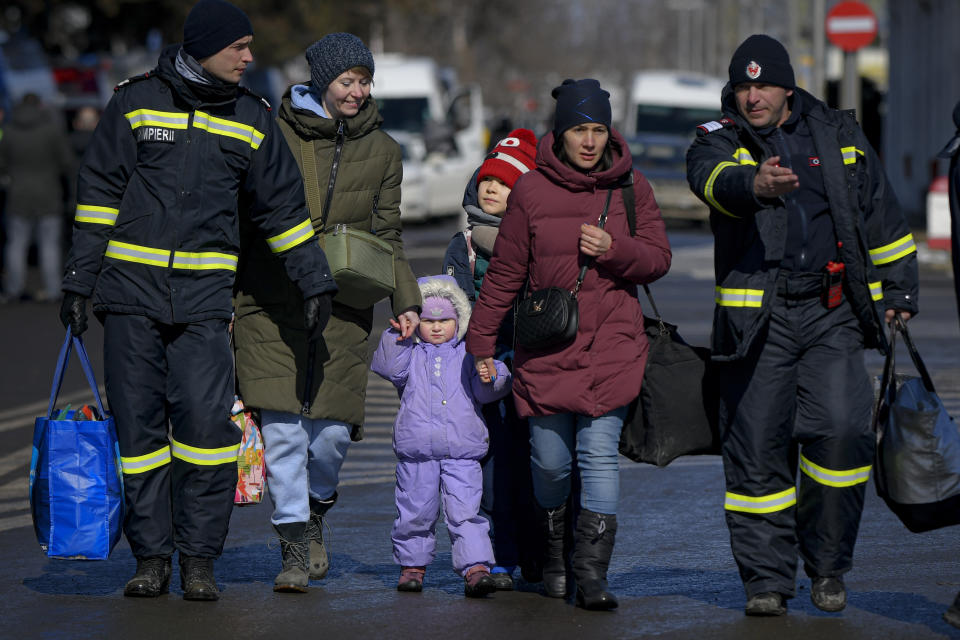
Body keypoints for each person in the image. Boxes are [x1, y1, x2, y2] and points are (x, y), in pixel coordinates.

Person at [58, 0, 337, 601]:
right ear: (204, 47)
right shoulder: (135, 103)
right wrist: (79, 281)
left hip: (206, 305)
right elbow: (98, 192)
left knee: (208, 437)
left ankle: (199, 560)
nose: (248, 56)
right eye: (238, 46)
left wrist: (314, 279)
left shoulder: (252, 117)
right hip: (129, 300)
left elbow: (283, 211)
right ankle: (152, 558)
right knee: (139, 440)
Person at [685, 35, 919, 617]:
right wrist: (753, 185)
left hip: (832, 310)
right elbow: (710, 181)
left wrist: (901, 287)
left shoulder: (837, 131)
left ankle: (828, 566)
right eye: (743, 85)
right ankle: (766, 580)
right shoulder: (720, 137)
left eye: (763, 85)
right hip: (757, 320)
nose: (752, 95)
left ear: (788, 87)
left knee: (843, 432)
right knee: (757, 447)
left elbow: (880, 213)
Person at [466, 79, 672, 610]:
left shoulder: (633, 187)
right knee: (550, 463)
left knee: (598, 456)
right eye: (579, 129)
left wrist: (615, 248)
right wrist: (481, 344)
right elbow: (506, 274)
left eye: (598, 129)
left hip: (613, 347)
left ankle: (593, 574)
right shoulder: (531, 191)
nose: (589, 141)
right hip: (547, 349)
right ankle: (555, 556)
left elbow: (658, 259)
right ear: (560, 133)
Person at [232, 32, 421, 592]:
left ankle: (316, 510)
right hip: (270, 298)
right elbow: (244, 212)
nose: (357, 92)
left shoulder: (385, 151)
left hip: (343, 303)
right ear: (321, 80)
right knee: (285, 432)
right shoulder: (272, 131)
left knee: (331, 438)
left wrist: (405, 299)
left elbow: (387, 235)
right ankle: (292, 548)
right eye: (347, 81)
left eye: (364, 81)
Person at [370, 274, 511, 598]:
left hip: (462, 452)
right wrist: (397, 334)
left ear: (459, 320)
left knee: (465, 513)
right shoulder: (410, 352)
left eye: (445, 320)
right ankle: (412, 567)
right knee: (414, 513)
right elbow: (388, 367)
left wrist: (494, 375)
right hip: (417, 451)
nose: (436, 327)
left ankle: (476, 567)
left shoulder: (467, 354)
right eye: (428, 320)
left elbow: (487, 391)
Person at [442, 128, 540, 590]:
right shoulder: (460, 246)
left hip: (528, 365)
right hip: (479, 370)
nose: (491, 187)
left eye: (503, 183)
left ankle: (538, 553)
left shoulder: (536, 240)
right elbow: (456, 305)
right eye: (486, 180)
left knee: (534, 460)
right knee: (489, 464)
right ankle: (497, 554)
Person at [0, 93, 75, 303]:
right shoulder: (52, 130)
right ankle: (52, 289)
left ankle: (14, 289)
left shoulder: (9, 131)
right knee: (49, 244)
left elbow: (1, 163)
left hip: (18, 193)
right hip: (48, 193)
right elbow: (66, 162)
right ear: (40, 106)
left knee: (16, 243)